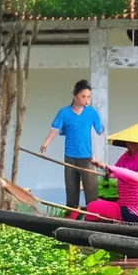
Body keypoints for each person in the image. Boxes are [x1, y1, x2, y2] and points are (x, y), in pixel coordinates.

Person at [40, 80, 103, 211]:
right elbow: (55, 129)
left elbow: (99, 132)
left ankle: (94, 214)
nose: (87, 100)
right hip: (70, 157)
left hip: (87, 157)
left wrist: (97, 156)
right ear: (75, 96)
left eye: (89, 97)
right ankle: (72, 214)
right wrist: (45, 144)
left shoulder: (92, 113)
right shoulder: (64, 112)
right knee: (71, 188)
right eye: (83, 96)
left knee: (91, 190)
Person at [83, 124, 138, 224]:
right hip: (121, 201)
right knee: (94, 204)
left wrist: (109, 167)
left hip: (136, 209)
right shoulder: (126, 156)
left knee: (93, 207)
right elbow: (113, 175)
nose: (129, 144)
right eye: (128, 141)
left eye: (133, 142)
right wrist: (106, 171)